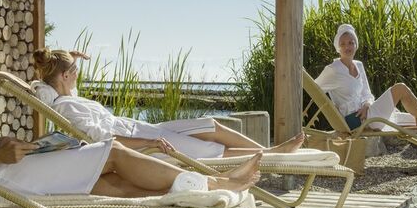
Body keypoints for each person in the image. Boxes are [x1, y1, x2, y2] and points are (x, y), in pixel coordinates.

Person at [0, 32, 260, 198]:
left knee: (99, 185)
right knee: (111, 154)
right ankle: (213, 188)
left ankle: (185, 197)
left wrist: (1, 145)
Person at [29, 50, 306, 159]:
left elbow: (53, 75)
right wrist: (148, 146)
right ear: (65, 76)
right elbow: (103, 138)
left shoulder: (68, 97)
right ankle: (273, 155)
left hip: (143, 128)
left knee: (211, 124)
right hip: (142, 138)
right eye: (75, 71)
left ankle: (269, 150)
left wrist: (69, 55)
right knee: (212, 151)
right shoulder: (67, 107)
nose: (79, 73)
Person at [314, 24, 417, 130]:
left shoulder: (358, 65)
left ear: (356, 45)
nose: (347, 47)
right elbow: (314, 89)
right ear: (338, 47)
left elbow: (367, 94)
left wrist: (367, 104)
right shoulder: (333, 69)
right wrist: (333, 108)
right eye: (342, 44)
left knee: (413, 117)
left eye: (351, 42)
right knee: (400, 89)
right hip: (354, 120)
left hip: (368, 114)